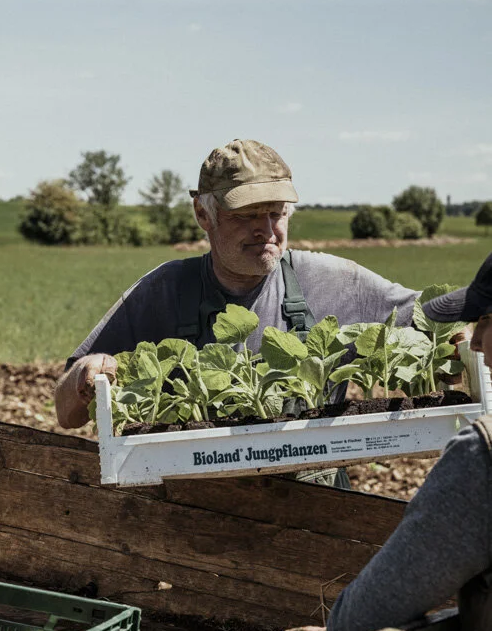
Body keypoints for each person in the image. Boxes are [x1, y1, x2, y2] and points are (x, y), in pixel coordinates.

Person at [55, 138, 418, 434]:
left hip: (317, 510)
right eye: (245, 216)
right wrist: (87, 374)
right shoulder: (162, 291)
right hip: (195, 512)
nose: (266, 229)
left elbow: (432, 320)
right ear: (202, 214)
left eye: (276, 212)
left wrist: (456, 339)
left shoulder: (335, 282)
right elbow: (66, 414)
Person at [277, 251, 492, 631]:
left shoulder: (484, 456)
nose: (475, 343)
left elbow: (390, 595)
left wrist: (338, 630)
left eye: (485, 322)